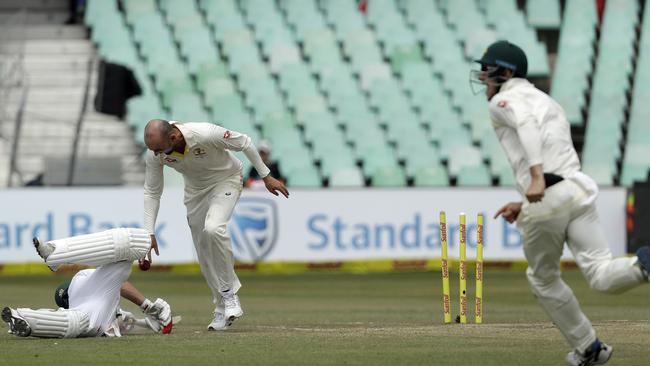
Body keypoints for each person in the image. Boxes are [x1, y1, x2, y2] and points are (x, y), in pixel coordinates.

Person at [471, 40, 650, 366]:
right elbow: (554, 157)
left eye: (487, 69)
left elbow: (525, 125)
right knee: (601, 273)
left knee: (542, 278)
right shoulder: (548, 101)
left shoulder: (503, 100)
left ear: (506, 72)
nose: (483, 76)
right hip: (576, 191)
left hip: (548, 200)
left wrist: (536, 180)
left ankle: (589, 348)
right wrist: (523, 201)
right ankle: (645, 265)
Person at [142, 119, 289, 331]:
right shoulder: (155, 152)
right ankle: (221, 308)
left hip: (226, 179)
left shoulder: (204, 133)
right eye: (152, 150)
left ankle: (229, 295)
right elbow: (152, 191)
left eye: (158, 150)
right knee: (203, 250)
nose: (156, 154)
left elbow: (245, 142)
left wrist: (266, 176)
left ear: (173, 137)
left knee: (213, 228)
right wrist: (149, 231)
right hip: (195, 191)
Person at [2, 228, 173, 338]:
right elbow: (120, 287)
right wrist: (148, 308)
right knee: (132, 243)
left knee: (74, 322)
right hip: (96, 319)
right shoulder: (80, 278)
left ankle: (24, 317)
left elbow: (126, 316)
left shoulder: (80, 288)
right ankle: (57, 252)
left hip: (91, 322)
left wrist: (148, 316)